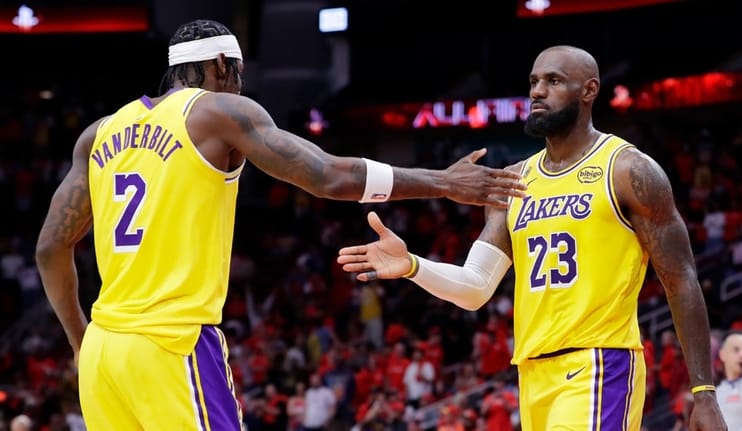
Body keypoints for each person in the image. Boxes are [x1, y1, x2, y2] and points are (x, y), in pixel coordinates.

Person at [33, 19, 527, 431]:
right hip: (170, 343)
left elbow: (50, 248)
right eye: (239, 74)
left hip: (103, 351)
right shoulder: (220, 111)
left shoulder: (98, 133)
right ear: (222, 66)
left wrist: (82, 341)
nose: (242, 87)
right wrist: (442, 182)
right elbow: (329, 176)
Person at [337, 45, 727, 430]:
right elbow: (475, 289)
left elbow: (681, 279)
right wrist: (412, 266)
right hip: (532, 374)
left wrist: (704, 392)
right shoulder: (512, 181)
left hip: (598, 365)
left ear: (589, 91)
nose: (537, 91)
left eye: (553, 81)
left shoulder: (628, 170)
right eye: (534, 81)